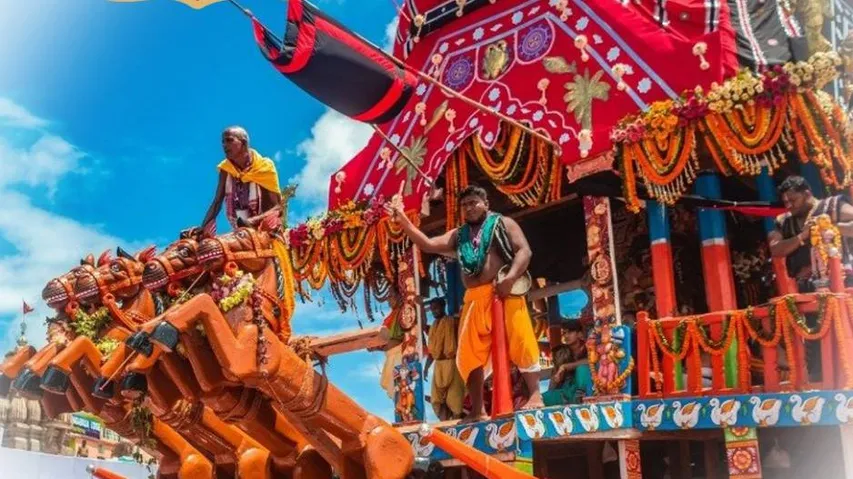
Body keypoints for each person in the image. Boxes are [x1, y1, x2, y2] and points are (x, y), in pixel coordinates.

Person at [387, 184, 542, 422]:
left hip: (504, 291)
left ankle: (535, 396)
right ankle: (478, 411)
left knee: (520, 339)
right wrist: (405, 222)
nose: (469, 208)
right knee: (469, 354)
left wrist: (510, 278)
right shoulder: (459, 235)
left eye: (474, 203)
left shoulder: (503, 223)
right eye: (465, 205)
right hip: (475, 298)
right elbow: (428, 244)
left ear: (486, 204)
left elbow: (524, 251)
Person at [769, 175, 853, 290]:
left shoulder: (831, 206)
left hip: (843, 282)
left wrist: (826, 226)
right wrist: (801, 237)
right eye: (786, 202)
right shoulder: (784, 221)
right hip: (805, 288)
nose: (789, 206)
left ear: (807, 194)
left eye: (793, 200)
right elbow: (775, 249)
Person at [199, 126, 283, 232]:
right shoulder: (226, 169)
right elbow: (217, 203)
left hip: (266, 230)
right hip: (241, 231)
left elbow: (278, 208)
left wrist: (253, 221)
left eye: (229, 140)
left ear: (243, 143)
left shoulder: (264, 166)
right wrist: (202, 228)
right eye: (223, 142)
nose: (224, 145)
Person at [423, 298, 465, 420]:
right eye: (432, 309)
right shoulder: (433, 327)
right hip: (438, 366)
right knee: (437, 400)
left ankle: (456, 422)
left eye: (436, 308)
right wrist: (426, 368)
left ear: (443, 306)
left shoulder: (453, 322)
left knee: (455, 398)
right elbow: (432, 351)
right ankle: (444, 423)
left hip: (453, 363)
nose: (434, 311)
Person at [543, 321, 590, 406]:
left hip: (587, 389)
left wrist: (566, 366)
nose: (566, 336)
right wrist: (557, 380)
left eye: (570, 332)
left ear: (579, 334)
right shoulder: (561, 353)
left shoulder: (589, 347)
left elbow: (591, 361)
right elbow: (555, 376)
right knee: (544, 398)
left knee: (582, 369)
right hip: (567, 391)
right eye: (564, 333)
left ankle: (579, 397)